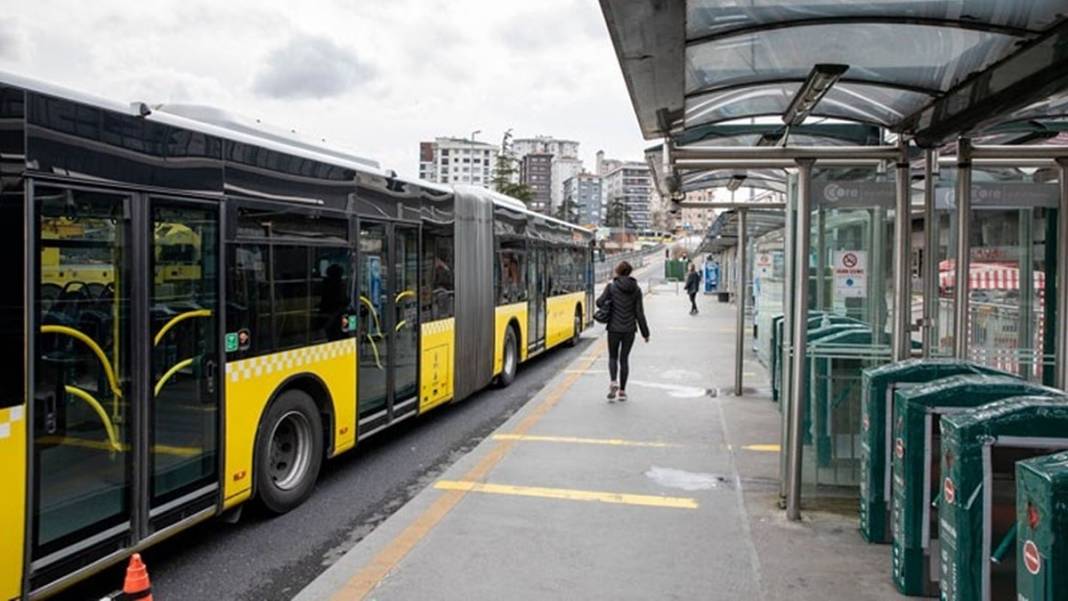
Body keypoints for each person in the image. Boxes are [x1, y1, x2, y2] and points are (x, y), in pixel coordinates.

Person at [596, 260, 650, 402]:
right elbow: (640, 313)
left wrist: (609, 300)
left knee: (613, 357)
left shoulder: (611, 287)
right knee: (624, 359)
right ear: (630, 272)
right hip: (629, 330)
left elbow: (599, 302)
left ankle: (613, 381)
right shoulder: (636, 289)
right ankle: (622, 391)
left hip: (613, 328)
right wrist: (646, 333)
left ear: (618, 271)